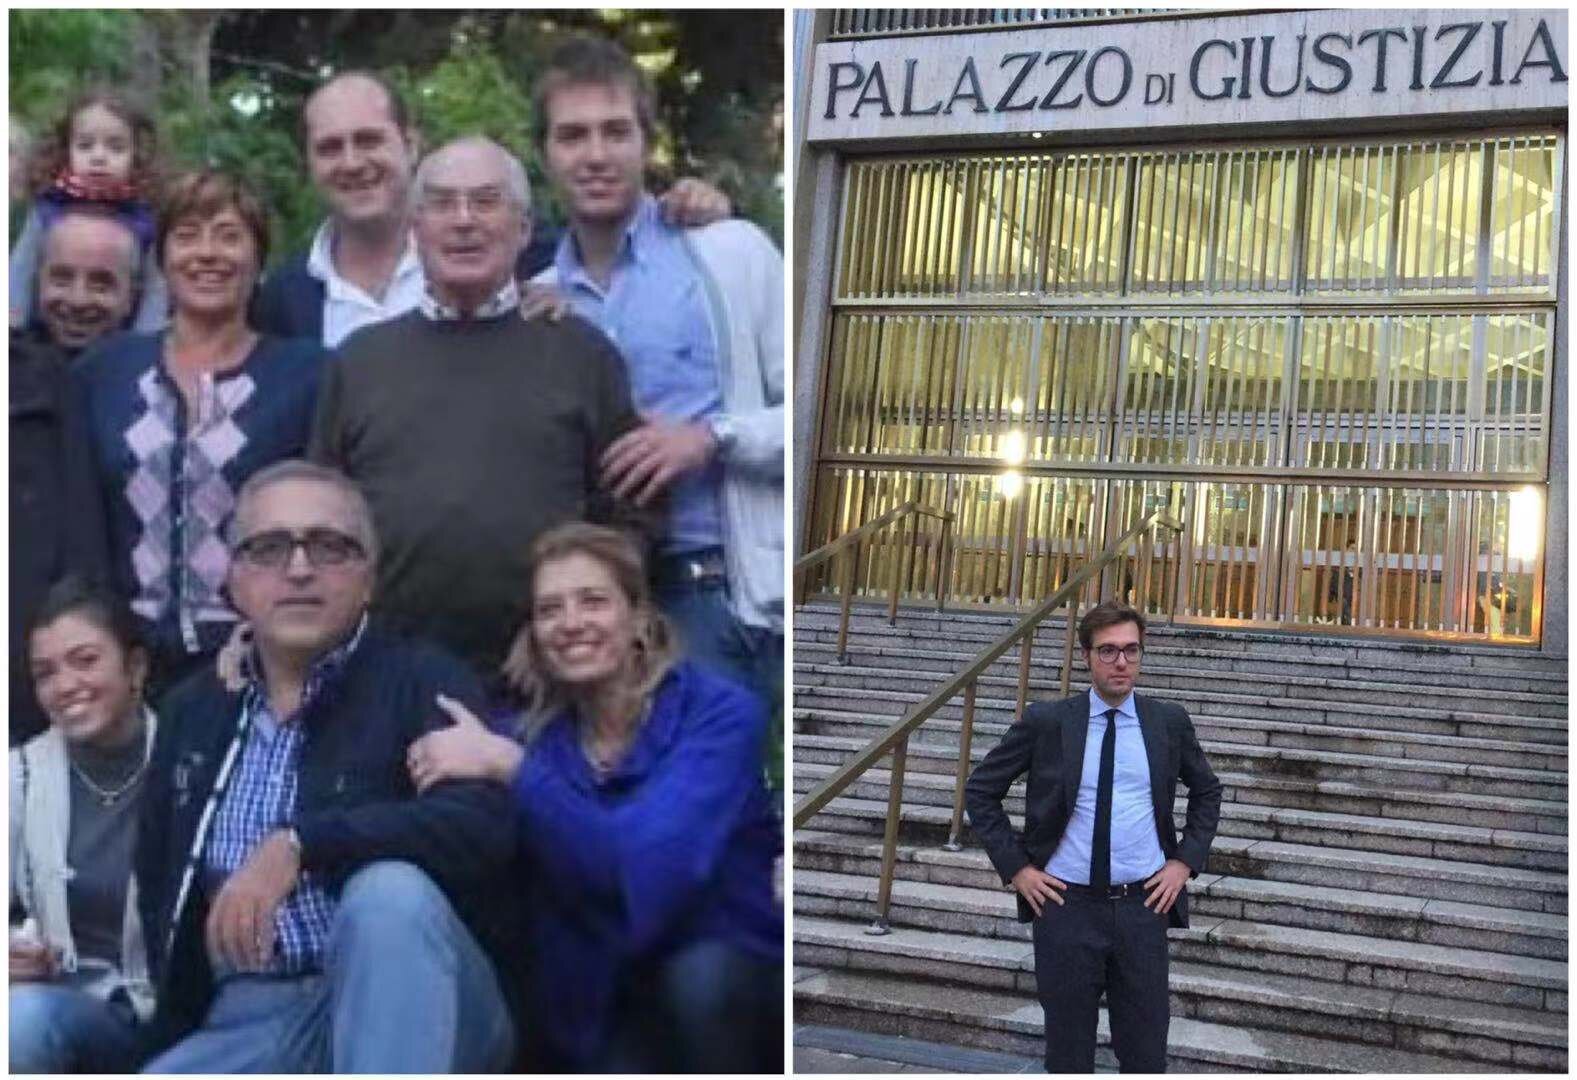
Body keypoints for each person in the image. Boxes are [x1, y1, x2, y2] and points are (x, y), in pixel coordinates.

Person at [135, 460, 519, 1072]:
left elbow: (481, 829)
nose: (299, 569)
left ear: (369, 578)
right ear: (234, 580)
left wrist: (302, 843)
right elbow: (157, 880)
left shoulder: (422, 679)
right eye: (269, 548)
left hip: (420, 998)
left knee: (387, 896)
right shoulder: (193, 712)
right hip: (248, 1015)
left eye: (330, 546)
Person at [404, 522, 782, 1072]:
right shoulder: (527, 736)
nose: (571, 623)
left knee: (701, 981)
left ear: (639, 618)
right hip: (597, 999)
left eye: (593, 601)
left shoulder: (717, 714)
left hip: (722, 993)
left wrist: (513, 769)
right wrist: (250, 658)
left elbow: (648, 869)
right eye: (549, 610)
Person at [310, 136, 655, 680]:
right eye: (443, 204)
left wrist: (575, 632)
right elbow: (324, 519)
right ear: (415, 231)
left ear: (522, 230)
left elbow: (630, 517)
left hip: (553, 676)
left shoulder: (581, 353)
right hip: (385, 676)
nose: (463, 221)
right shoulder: (359, 362)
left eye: (486, 201)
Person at [533, 36, 785, 709]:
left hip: (717, 594)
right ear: (546, 156)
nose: (594, 154)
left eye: (615, 131)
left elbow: (821, 414)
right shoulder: (533, 302)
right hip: (589, 615)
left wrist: (709, 437)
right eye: (572, 136)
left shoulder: (728, 254)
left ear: (647, 142)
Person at [72, 170, 328, 693]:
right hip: (124, 664)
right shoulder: (105, 372)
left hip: (256, 661)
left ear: (259, 261)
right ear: (162, 259)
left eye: (229, 236)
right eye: (187, 236)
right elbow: (81, 517)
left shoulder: (305, 375)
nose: (207, 253)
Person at [252, 69, 731, 348]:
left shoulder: (531, 259)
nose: (352, 162)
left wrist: (698, 206)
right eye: (331, 147)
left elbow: (617, 261)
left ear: (410, 143)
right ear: (309, 162)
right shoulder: (282, 300)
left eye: (369, 140)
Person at [964, 601, 1222, 1073]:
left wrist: (1184, 862)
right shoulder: (1048, 722)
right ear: (1085, 656)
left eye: (1131, 650)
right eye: (1108, 651)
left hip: (1144, 908)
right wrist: (1018, 870)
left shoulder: (1167, 723)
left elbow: (1207, 790)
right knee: (1068, 1053)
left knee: (1145, 1052)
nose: (1121, 662)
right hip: (1065, 909)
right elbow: (981, 791)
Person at [10, 579, 157, 1073]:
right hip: (56, 1011)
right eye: (44, 673)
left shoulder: (190, 757)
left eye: (85, 660)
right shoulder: (19, 775)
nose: (65, 685)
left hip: (169, 1018)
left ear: (135, 667)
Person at [10, 89, 167, 333]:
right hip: (43, 337)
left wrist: (146, 340)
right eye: (85, 146)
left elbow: (155, 287)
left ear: (135, 155)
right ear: (67, 150)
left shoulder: (143, 217)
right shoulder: (48, 207)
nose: (99, 157)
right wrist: (12, 325)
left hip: (118, 341)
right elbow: (21, 269)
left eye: (115, 148)